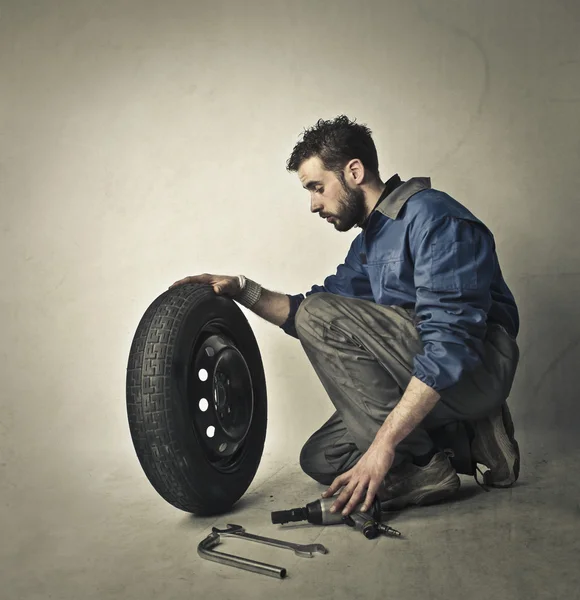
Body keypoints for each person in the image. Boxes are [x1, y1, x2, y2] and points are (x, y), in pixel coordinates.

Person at [169, 115, 520, 518]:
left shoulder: (435, 218)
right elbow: (306, 312)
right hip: (428, 369)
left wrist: (384, 445)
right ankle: (469, 436)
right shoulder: (371, 241)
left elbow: (450, 345)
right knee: (322, 457)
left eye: (317, 188)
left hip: (477, 366)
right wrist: (242, 288)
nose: (313, 204)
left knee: (321, 319)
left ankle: (423, 468)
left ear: (354, 171)